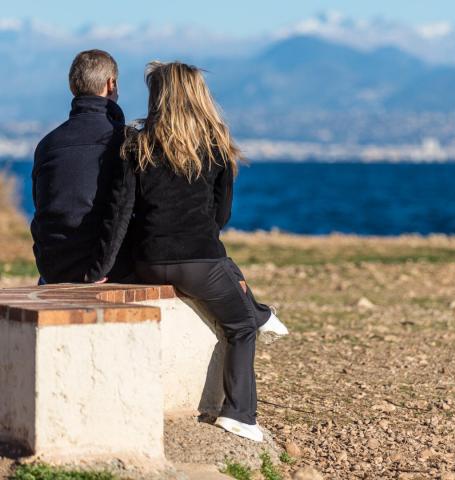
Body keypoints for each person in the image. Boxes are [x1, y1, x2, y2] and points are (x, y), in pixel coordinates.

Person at [84, 61, 288, 442]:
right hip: (200, 262)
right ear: (198, 96)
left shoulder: (135, 144)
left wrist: (102, 267)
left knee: (226, 270)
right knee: (240, 327)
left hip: (148, 262)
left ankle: (262, 313)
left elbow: (120, 215)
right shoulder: (216, 146)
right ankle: (240, 414)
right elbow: (220, 214)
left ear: (158, 98)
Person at [31, 49, 133, 284]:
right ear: (111, 84)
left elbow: (42, 209)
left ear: (73, 87)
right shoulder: (124, 141)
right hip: (105, 269)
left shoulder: (47, 145)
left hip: (52, 269)